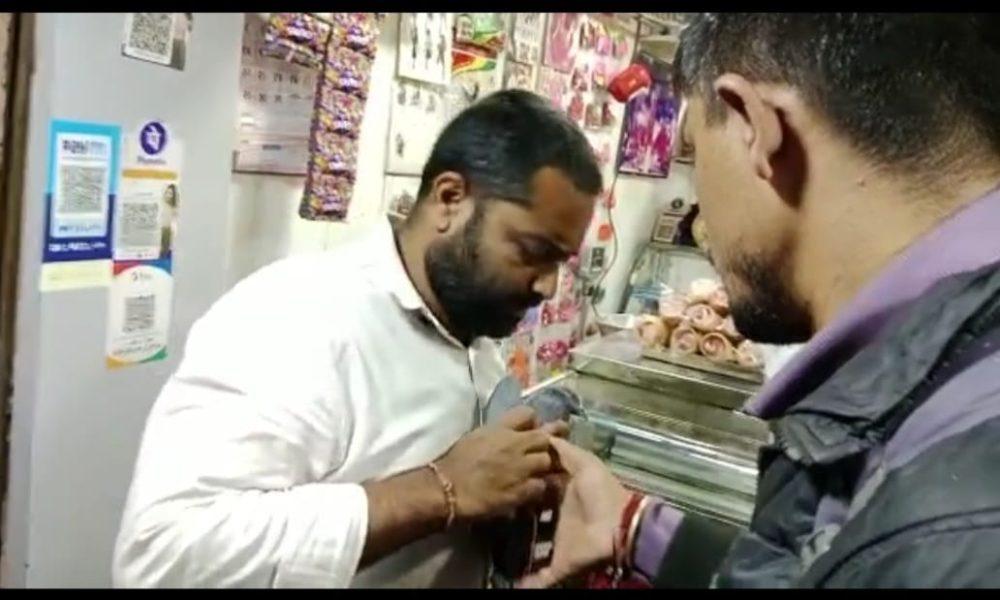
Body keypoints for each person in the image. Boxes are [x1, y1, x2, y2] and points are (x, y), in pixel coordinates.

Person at [523, 13, 1000, 589]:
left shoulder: (953, 521)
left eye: (695, 151)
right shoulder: (948, 389)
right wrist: (632, 525)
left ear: (755, 126)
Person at [113, 90, 603, 588]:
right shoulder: (295, 316)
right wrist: (439, 489)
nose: (546, 286)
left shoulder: (473, 321)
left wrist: (514, 499)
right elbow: (164, 554)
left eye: (558, 263)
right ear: (450, 199)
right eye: (531, 251)